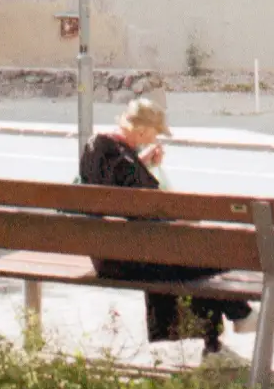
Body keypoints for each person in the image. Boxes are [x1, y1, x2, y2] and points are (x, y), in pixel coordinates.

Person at [79, 97, 255, 361]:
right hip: (129, 261)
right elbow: (146, 215)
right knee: (203, 258)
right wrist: (180, 224)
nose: (154, 138)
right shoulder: (125, 162)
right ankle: (232, 323)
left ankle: (235, 321)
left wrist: (142, 164)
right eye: (154, 133)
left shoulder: (96, 149)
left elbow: (120, 194)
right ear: (140, 131)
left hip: (105, 255)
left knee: (191, 258)